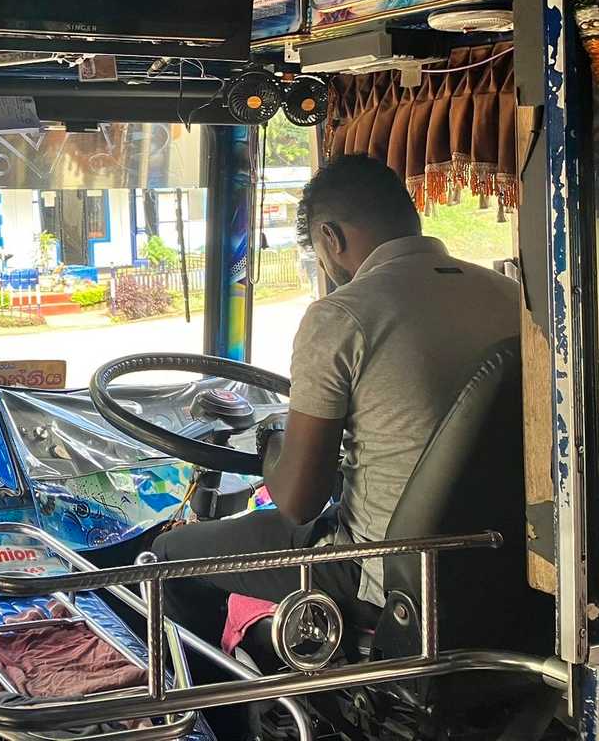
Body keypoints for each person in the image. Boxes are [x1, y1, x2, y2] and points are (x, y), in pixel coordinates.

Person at [152, 155, 520, 643]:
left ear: (331, 237)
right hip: (500, 559)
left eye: (319, 254)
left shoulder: (341, 315)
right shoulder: (511, 297)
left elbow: (299, 502)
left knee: (167, 556)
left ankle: (216, 695)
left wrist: (273, 442)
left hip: (380, 570)